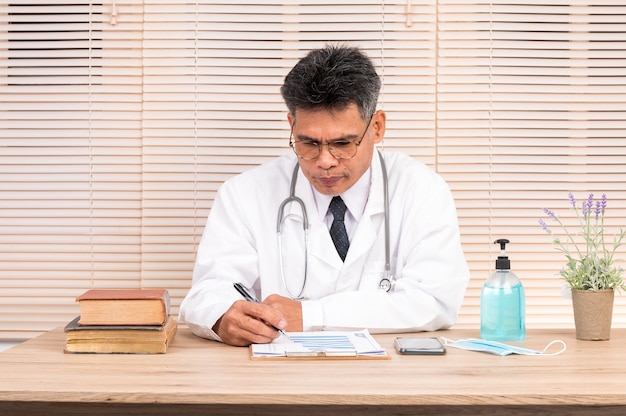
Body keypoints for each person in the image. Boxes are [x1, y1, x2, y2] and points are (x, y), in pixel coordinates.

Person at [179, 44, 470, 346]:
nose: (325, 161)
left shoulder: (421, 190)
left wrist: (310, 315)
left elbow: (435, 300)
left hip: (387, 382)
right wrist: (224, 317)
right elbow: (208, 292)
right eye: (308, 143)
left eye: (343, 143)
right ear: (292, 126)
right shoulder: (244, 194)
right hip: (276, 382)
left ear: (377, 127)